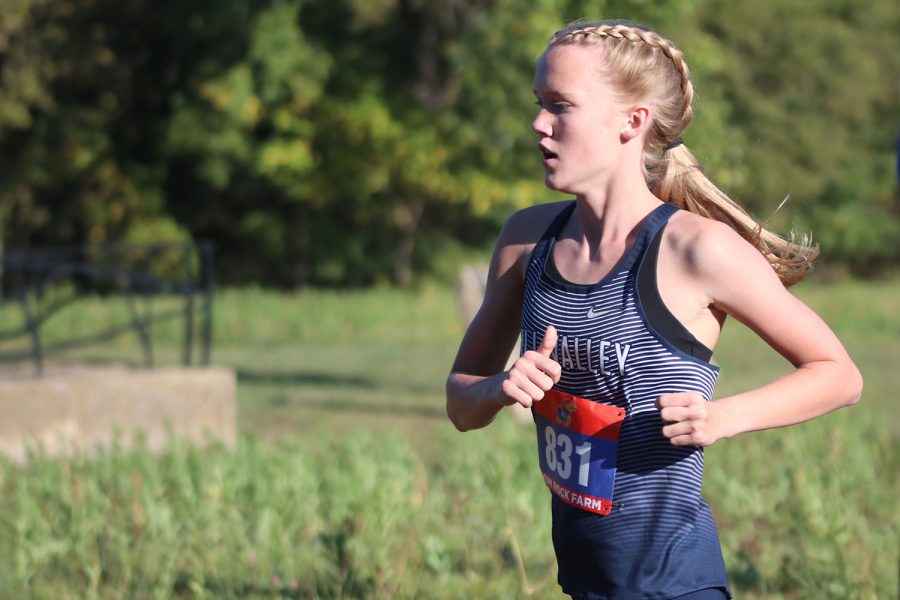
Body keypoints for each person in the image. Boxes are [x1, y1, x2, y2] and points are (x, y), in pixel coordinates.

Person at [445, 19, 863, 600]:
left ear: (632, 121)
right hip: (583, 583)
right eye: (538, 104)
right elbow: (460, 404)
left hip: (675, 585)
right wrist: (498, 387)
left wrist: (722, 419)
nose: (539, 124)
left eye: (561, 106)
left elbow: (839, 375)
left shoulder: (699, 250)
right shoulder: (525, 242)